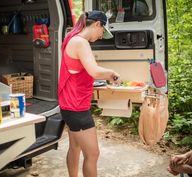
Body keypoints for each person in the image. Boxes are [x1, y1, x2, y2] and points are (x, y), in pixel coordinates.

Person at [58, 10, 120, 177]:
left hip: (69, 105)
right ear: (97, 24)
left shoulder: (71, 38)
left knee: (75, 147)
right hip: (77, 108)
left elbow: (77, 72)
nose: (101, 36)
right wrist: (111, 73)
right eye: (102, 32)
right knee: (93, 154)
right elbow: (93, 71)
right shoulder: (81, 42)